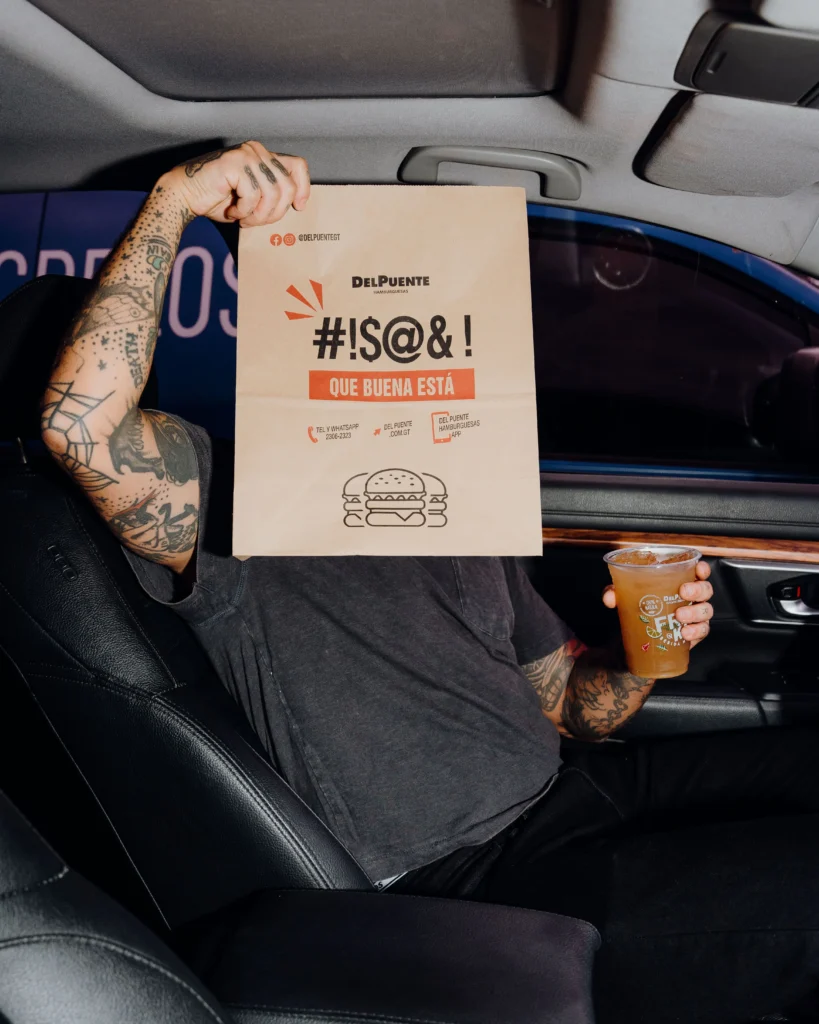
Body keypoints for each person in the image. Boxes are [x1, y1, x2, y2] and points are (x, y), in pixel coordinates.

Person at [41, 142, 819, 1024]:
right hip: (472, 882)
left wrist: (642, 652)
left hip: (572, 792)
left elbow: (571, 706)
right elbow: (82, 431)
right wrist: (174, 201)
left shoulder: (459, 490)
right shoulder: (233, 491)